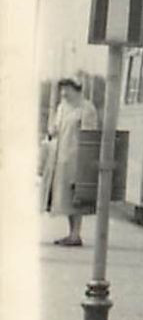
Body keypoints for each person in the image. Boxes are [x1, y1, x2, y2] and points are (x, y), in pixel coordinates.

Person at [42, 78, 99, 246]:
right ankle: (71, 234)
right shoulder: (62, 107)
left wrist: (86, 159)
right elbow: (56, 129)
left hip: (77, 157)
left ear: (77, 89)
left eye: (67, 89)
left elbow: (90, 134)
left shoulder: (87, 108)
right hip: (61, 159)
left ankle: (76, 234)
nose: (64, 93)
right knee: (66, 198)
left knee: (76, 197)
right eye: (62, 90)